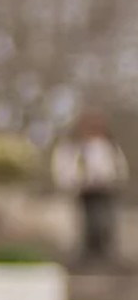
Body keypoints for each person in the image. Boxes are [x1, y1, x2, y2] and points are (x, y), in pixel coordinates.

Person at [52, 111, 129, 262]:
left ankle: (107, 256)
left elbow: (119, 168)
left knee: (105, 223)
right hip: (83, 192)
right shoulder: (73, 148)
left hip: (105, 192)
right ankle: (85, 256)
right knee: (85, 224)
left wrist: (113, 182)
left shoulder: (110, 147)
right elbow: (64, 170)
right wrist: (75, 183)